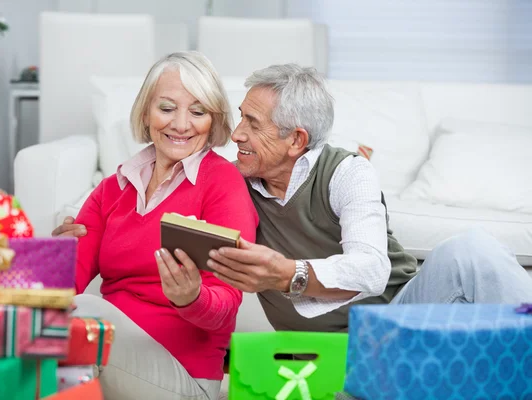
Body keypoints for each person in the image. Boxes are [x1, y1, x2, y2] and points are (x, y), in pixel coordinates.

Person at [55, 63, 532, 336]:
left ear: (296, 140)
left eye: (252, 125)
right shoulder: (232, 180)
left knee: (472, 250)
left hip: (399, 318)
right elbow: (151, 183)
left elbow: (370, 269)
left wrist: (290, 274)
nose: (235, 134)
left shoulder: (348, 173)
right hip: (329, 350)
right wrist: (74, 217)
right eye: (239, 118)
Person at [63, 51, 258, 400]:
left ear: (213, 120)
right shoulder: (114, 187)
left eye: (197, 112)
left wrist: (192, 298)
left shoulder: (223, 183)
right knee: (60, 314)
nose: (181, 125)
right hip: (114, 363)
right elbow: (63, 288)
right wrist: (55, 256)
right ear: (146, 112)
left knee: (85, 315)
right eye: (167, 108)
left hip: (185, 379)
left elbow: (227, 304)